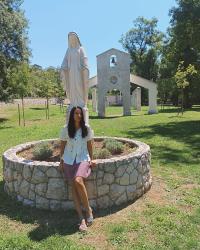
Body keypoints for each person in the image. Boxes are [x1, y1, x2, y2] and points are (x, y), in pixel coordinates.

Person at [59, 106, 96, 232]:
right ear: (72, 115)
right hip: (68, 160)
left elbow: (90, 145)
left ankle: (88, 210)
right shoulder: (65, 129)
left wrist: (92, 159)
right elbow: (62, 146)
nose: (79, 116)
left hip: (82, 158)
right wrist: (61, 161)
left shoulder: (87, 129)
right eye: (76, 113)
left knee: (78, 180)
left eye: (80, 113)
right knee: (73, 187)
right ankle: (81, 218)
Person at [60, 32, 89, 125]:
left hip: (79, 73)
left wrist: (85, 67)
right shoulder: (68, 50)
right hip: (71, 74)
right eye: (70, 39)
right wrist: (63, 67)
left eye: (73, 38)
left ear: (76, 39)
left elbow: (85, 59)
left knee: (79, 87)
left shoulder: (81, 49)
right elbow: (64, 61)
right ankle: (73, 102)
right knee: (72, 88)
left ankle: (80, 103)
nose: (72, 40)